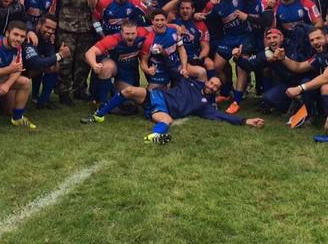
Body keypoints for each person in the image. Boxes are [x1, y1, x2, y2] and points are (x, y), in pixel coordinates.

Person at [89, 70, 265, 144]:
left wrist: (245, 121)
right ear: (207, 81)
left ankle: (154, 137)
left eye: (215, 87)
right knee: (128, 91)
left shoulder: (207, 106)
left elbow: (223, 117)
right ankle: (100, 114)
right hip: (156, 96)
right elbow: (175, 67)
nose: (211, 87)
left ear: (217, 90)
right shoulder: (190, 82)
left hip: (162, 110)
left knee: (167, 120)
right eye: (211, 83)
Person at [55, 0, 94, 105]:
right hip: (66, 28)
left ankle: (80, 90)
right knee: (65, 61)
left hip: (85, 28)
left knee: (82, 62)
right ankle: (63, 92)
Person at [85, 20, 150, 106]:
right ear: (121, 32)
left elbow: (161, 27)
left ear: (137, 31)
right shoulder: (113, 39)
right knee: (108, 67)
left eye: (133, 33)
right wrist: (94, 65)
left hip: (127, 70)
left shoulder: (143, 33)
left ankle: (112, 88)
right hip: (112, 65)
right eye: (127, 34)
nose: (130, 37)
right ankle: (103, 103)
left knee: (131, 98)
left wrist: (174, 27)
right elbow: (90, 52)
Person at [140, 9, 202, 90]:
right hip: (160, 70)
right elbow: (143, 62)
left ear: (166, 21)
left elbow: (181, 50)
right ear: (152, 22)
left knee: (201, 72)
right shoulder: (148, 41)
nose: (159, 23)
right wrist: (148, 70)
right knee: (152, 96)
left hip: (176, 65)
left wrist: (184, 67)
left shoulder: (174, 31)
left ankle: (203, 97)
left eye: (162, 20)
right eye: (157, 20)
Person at [23, 14, 71, 109]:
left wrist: (57, 56)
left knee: (54, 65)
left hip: (32, 68)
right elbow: (35, 62)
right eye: (47, 27)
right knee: (8, 110)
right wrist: (60, 55)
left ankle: (43, 100)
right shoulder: (29, 36)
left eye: (53, 29)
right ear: (39, 24)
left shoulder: (46, 39)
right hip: (17, 71)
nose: (50, 31)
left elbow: (52, 59)